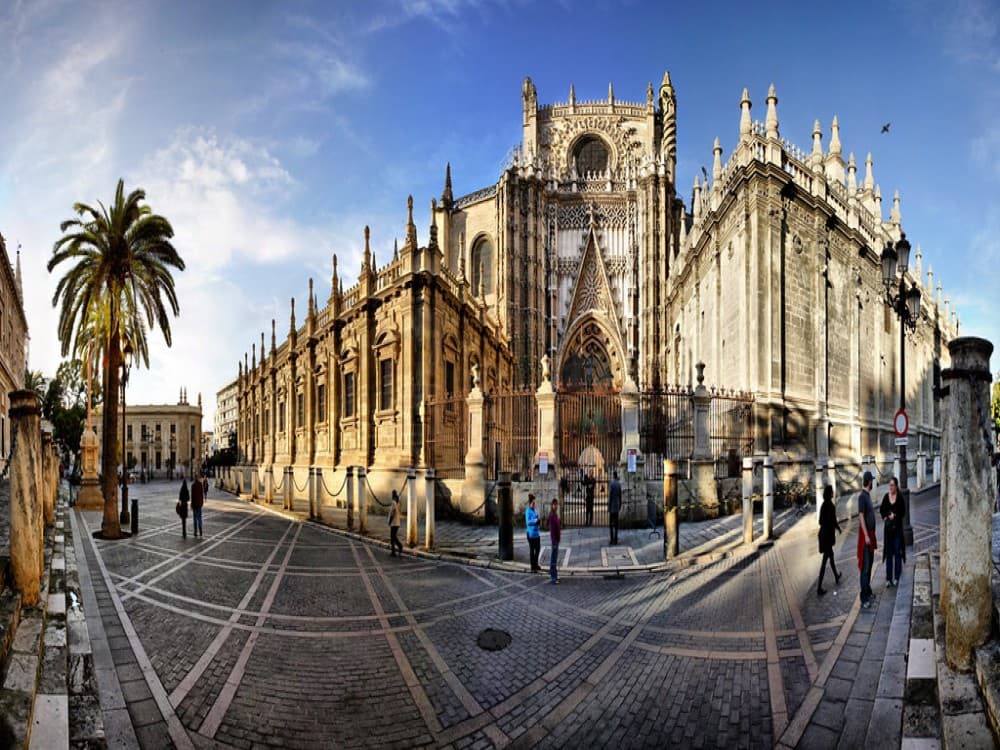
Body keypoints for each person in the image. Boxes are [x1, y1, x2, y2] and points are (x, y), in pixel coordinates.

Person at [880, 477, 906, 587]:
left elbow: (903, 512)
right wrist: (886, 516)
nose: (891, 487)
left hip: (897, 531)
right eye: (889, 485)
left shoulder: (900, 498)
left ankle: (896, 577)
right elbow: (881, 510)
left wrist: (894, 515)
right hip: (888, 532)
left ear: (896, 486)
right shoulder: (886, 497)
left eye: (892, 485)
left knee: (897, 553)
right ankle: (888, 578)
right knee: (889, 554)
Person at [857, 471, 878, 608]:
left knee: (869, 565)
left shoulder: (867, 496)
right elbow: (861, 516)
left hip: (870, 535)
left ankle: (868, 591)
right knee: (865, 568)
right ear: (869, 481)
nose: (873, 483)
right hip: (866, 537)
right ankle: (864, 598)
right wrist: (866, 536)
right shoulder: (862, 497)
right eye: (872, 481)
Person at [816, 484, 842, 595]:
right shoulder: (830, 506)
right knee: (824, 562)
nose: (833, 493)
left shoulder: (823, 505)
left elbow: (820, 521)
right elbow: (833, 521)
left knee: (830, 558)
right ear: (829, 493)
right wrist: (837, 528)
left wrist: (832, 526)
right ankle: (819, 588)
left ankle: (836, 576)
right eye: (832, 491)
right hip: (827, 537)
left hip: (823, 535)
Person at [525, 494, 541, 572]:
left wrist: (538, 519)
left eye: (535, 503)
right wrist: (535, 521)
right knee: (532, 550)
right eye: (533, 503)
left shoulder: (535, 510)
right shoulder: (528, 511)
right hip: (530, 534)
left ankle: (536, 564)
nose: (534, 504)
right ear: (530, 503)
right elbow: (528, 522)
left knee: (538, 549)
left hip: (536, 533)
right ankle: (532, 567)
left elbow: (537, 517)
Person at [548, 499, 561, 584]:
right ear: (551, 505)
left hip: (557, 539)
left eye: (556, 504)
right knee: (553, 559)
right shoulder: (552, 516)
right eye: (554, 505)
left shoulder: (555, 515)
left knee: (555, 559)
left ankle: (554, 575)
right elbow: (552, 531)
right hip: (554, 540)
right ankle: (553, 577)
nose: (555, 506)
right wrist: (554, 542)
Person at [388, 490, 403, 556]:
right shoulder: (398, 503)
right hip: (397, 522)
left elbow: (392, 513)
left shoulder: (393, 503)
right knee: (393, 537)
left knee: (392, 537)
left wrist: (389, 522)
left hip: (394, 523)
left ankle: (398, 547)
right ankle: (394, 550)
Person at [608, 471, 622, 545]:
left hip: (612, 507)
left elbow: (610, 496)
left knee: (611, 524)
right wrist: (620, 504)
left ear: (613, 476)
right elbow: (620, 496)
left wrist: (608, 506)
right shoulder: (618, 484)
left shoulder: (611, 484)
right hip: (616, 506)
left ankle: (611, 539)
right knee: (616, 524)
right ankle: (616, 538)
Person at [191, 472, 205, 538]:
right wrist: (202, 502)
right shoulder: (200, 484)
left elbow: (192, 496)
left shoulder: (193, 485)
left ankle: (195, 532)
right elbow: (202, 494)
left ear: (194, 478)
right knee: (199, 518)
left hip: (195, 504)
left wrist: (192, 504)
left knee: (195, 519)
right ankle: (200, 531)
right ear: (198, 477)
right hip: (199, 504)